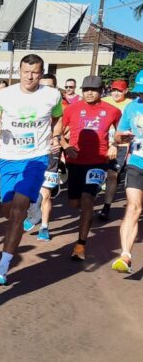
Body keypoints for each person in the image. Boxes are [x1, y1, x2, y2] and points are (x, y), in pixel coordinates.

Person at [0, 54, 63, 286]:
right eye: (26, 72)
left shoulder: (51, 95)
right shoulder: (5, 95)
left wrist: (56, 136)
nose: (30, 76)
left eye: (35, 72)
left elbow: (58, 117)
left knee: (18, 211)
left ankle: (2, 266)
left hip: (36, 158)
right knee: (8, 211)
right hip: (8, 158)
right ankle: (34, 199)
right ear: (19, 71)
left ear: (41, 72)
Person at [59, 76, 120, 260]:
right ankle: (82, 225)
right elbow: (58, 133)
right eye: (86, 89)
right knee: (74, 203)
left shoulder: (112, 111)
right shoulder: (71, 109)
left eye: (94, 89)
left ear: (102, 91)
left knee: (87, 201)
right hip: (75, 161)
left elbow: (122, 133)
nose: (89, 93)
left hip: (98, 162)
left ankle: (80, 245)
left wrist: (115, 145)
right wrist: (66, 146)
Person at [22, 73, 67, 241]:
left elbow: (67, 130)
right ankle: (33, 212)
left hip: (51, 152)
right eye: (43, 86)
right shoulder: (29, 103)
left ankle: (44, 226)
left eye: (50, 86)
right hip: (30, 152)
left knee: (46, 193)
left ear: (55, 88)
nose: (46, 90)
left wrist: (58, 140)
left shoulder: (62, 107)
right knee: (27, 190)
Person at [111, 70, 143, 273]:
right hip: (137, 163)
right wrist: (121, 138)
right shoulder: (132, 107)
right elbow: (117, 137)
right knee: (134, 207)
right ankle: (125, 255)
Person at [99, 79, 133, 220]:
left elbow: (133, 130)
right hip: (101, 144)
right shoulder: (103, 101)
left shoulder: (131, 105)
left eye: (119, 90)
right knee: (98, 174)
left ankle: (106, 206)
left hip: (121, 146)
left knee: (113, 175)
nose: (116, 93)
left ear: (125, 91)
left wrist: (116, 144)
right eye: (113, 90)